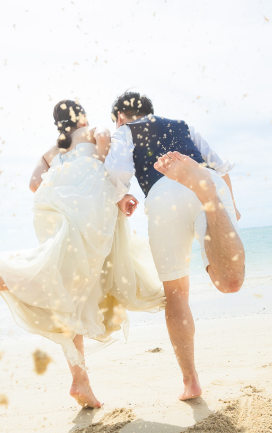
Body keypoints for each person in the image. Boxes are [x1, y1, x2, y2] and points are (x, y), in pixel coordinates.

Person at [0, 99, 165, 408]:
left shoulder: (51, 150)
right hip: (89, 215)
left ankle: (80, 381)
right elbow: (107, 164)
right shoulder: (95, 131)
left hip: (56, 216)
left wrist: (66, 182)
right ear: (81, 117)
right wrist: (121, 195)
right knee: (70, 289)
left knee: (71, 297)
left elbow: (34, 185)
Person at [104, 91, 245, 401]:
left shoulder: (124, 131)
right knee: (230, 282)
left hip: (162, 192)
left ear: (119, 118)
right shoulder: (183, 125)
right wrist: (230, 204)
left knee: (176, 294)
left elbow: (116, 171)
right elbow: (221, 167)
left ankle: (191, 381)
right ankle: (208, 197)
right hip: (204, 177)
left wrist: (121, 194)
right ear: (150, 111)